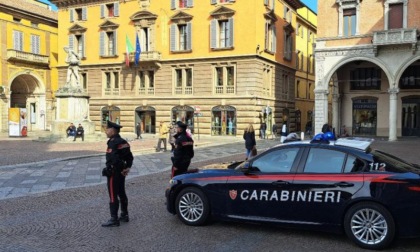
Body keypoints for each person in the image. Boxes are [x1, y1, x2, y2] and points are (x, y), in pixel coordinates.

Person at [101, 121, 133, 227]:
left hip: (113, 172)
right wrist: (127, 167)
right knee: (122, 193)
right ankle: (124, 214)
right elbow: (130, 157)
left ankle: (114, 219)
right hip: (121, 173)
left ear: (113, 130)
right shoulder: (123, 141)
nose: (106, 131)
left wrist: (118, 167)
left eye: (107, 129)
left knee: (113, 195)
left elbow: (114, 158)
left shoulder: (113, 142)